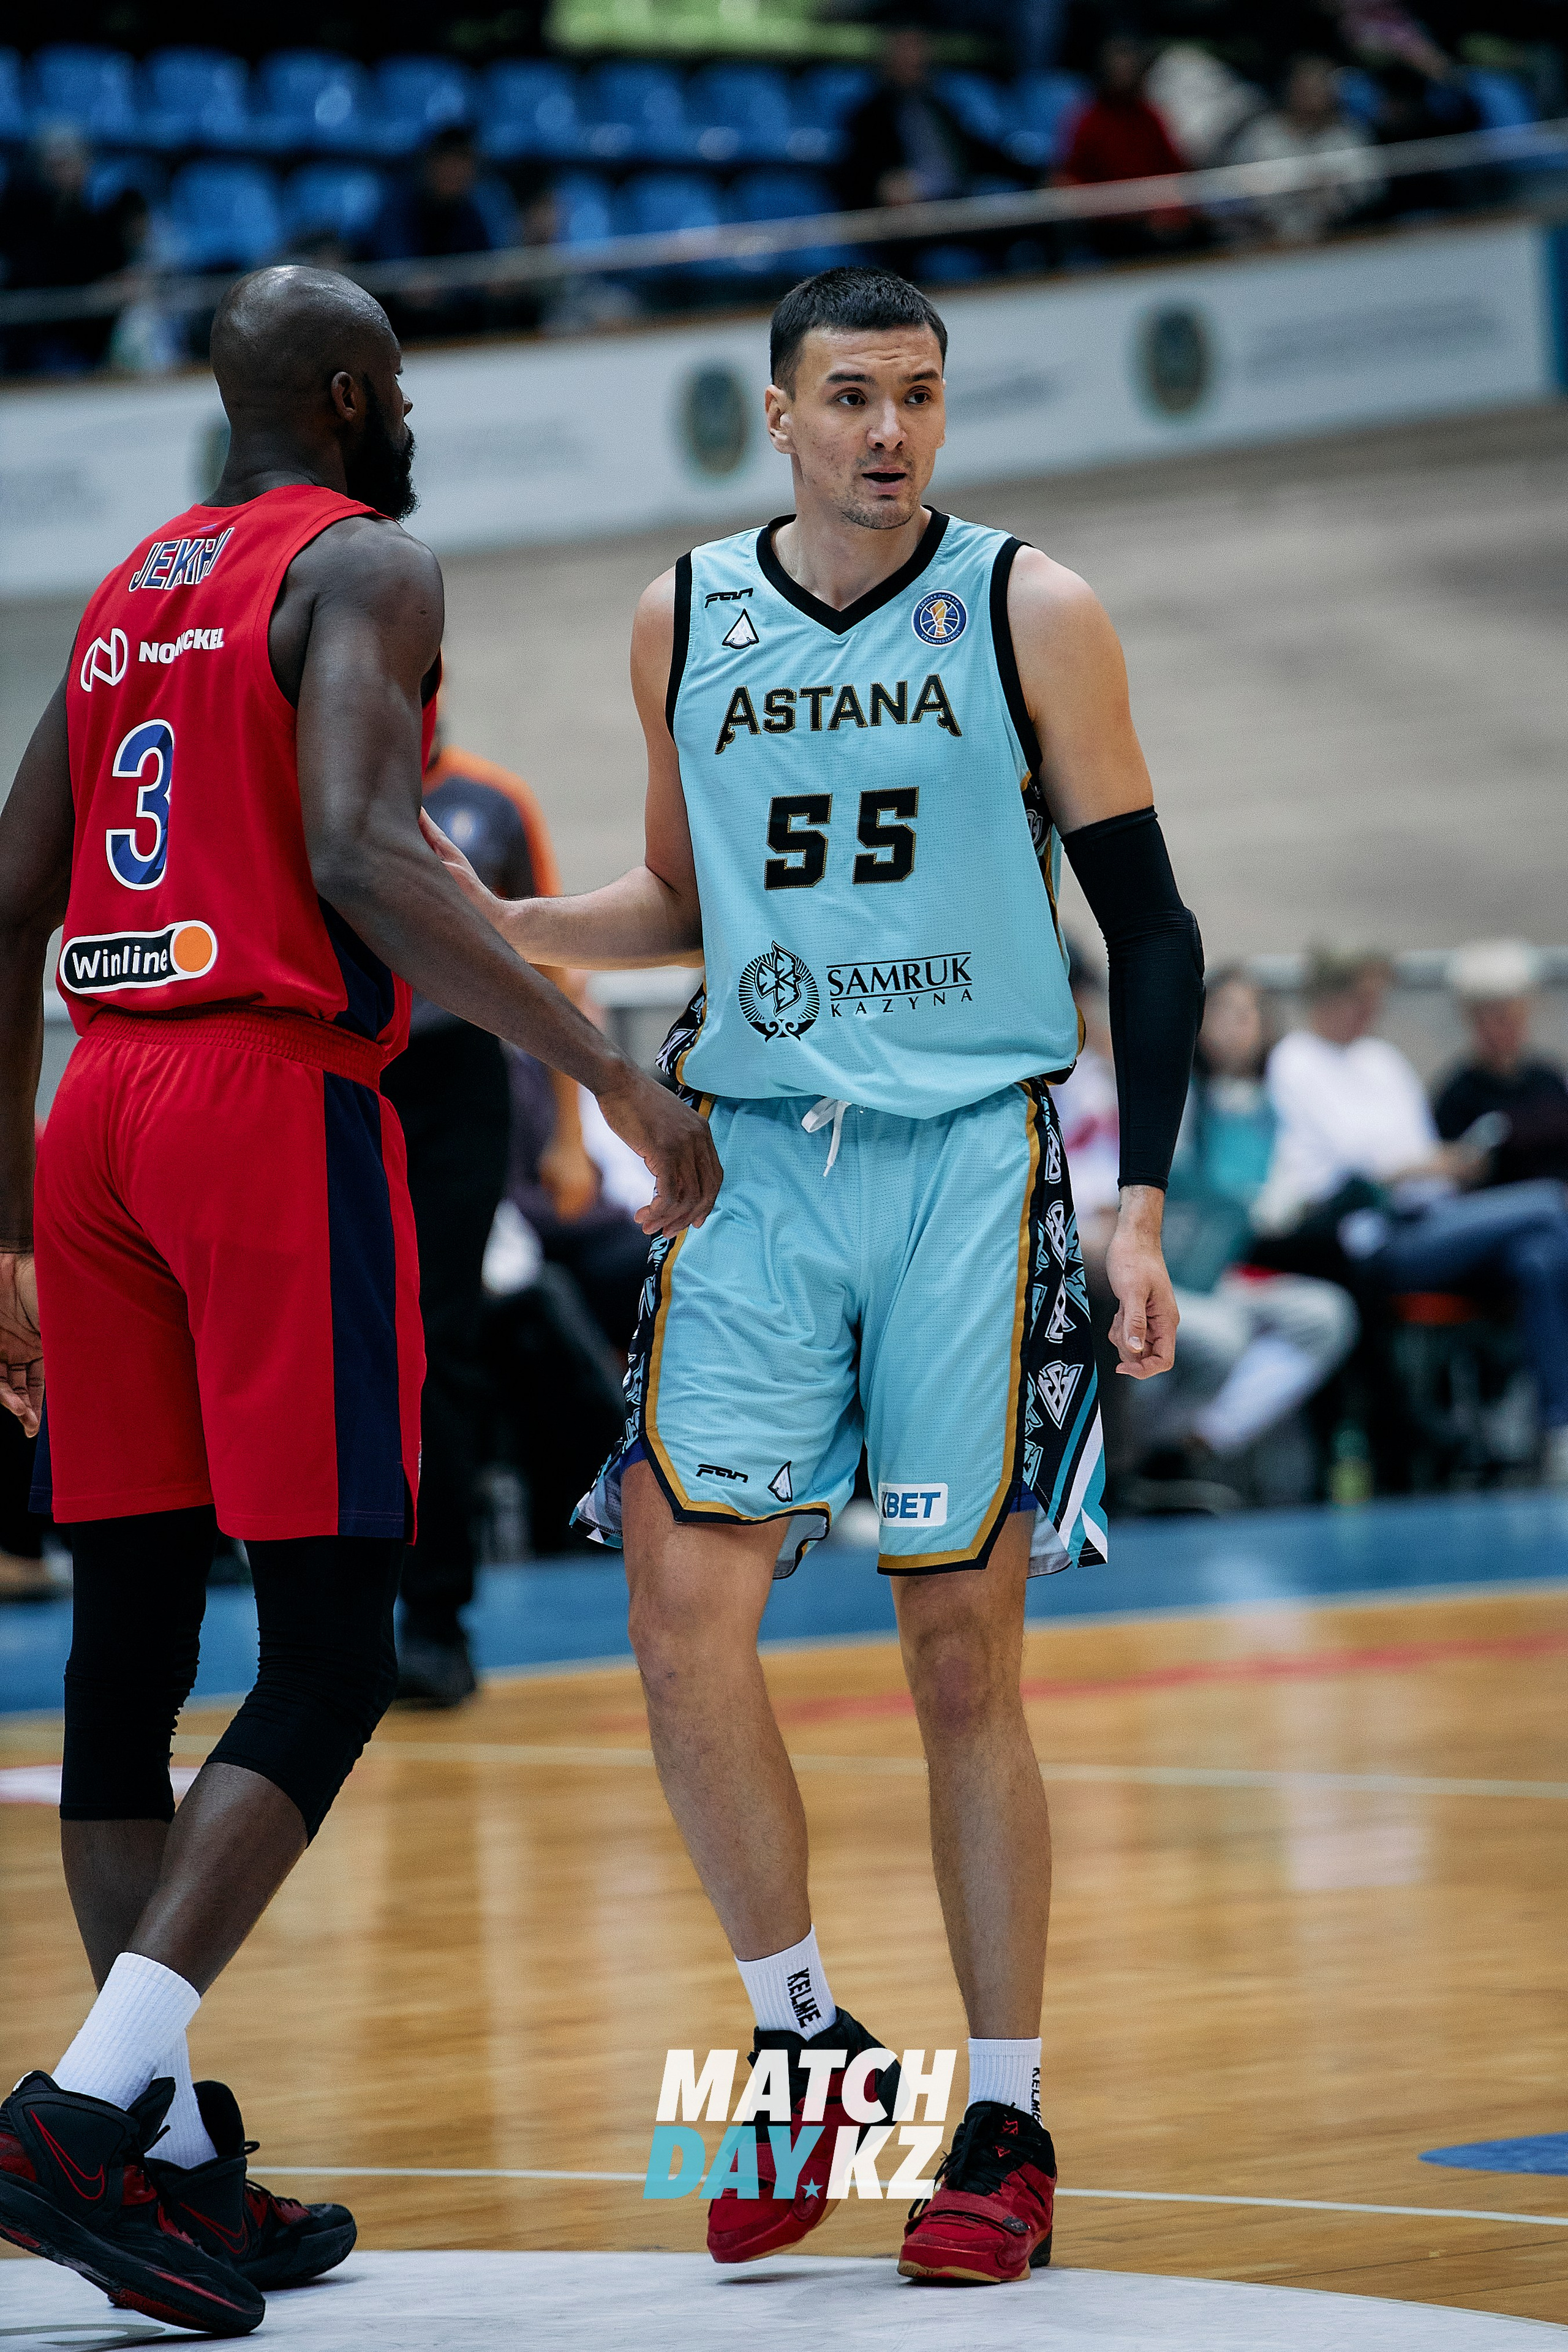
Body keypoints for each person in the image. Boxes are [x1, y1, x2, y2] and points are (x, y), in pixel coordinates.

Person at [426, 264, 1204, 2288]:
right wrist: (490, 926)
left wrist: (1142, 1209)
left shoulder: (1035, 605)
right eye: (850, 395)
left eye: (920, 396)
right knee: (680, 1613)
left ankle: (1006, 2122)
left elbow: (1159, 929)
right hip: (760, 1164)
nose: (889, 430)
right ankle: (805, 2050)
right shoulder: (679, 612)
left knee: (960, 1657)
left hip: (971, 1168)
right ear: (775, 414)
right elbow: (675, 898)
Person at [0, 263, 717, 2331]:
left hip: (93, 1114)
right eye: (395, 382)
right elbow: (357, 846)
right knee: (334, 1648)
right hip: (256, 1100)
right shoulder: (371, 558)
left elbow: (5, 897)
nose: (408, 413)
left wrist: (5, 1227)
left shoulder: (127, 586)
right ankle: (77, 2113)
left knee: (127, 1642)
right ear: (350, 390)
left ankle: (175, 2164)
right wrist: (596, 1054)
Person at [385, 722, 594, 1705]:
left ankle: (434, 1621)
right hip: (334, 1073)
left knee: (439, 1343)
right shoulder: (314, 789)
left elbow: (553, 964)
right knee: (336, 1346)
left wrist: (566, 1132)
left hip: (452, 1077)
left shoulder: (492, 801)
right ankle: (326, 1621)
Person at [1260, 948, 1568, 1486]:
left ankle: (1558, 1431)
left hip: (1437, 1215)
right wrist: (1423, 1166)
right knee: (1547, 1202)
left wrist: (1445, 1166)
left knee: (1537, 1259)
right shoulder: (1296, 1061)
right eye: (1361, 998)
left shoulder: (1382, 1060)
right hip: (1378, 1236)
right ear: (1328, 997)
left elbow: (1421, 1155)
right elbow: (1350, 1171)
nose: (1370, 1011)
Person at [1144, 968, 1358, 1493]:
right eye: (1227, 1013)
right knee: (1225, 1335)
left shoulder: (1270, 1108)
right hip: (1165, 1280)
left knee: (1327, 1315)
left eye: (1252, 1015)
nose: (1241, 1026)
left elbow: (1281, 1201)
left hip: (1220, 1277)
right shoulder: (1175, 1097)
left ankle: (1200, 1440)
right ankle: (1146, 1450)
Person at [1433, 940, 1568, 1191]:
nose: (1499, 1031)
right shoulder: (1458, 1095)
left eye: (1509, 1018)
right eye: (1489, 1019)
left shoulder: (1549, 1080)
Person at [839, 30, 1020, 217]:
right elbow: (859, 174)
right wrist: (880, 185)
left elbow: (980, 155)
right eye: (905, 52)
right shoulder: (869, 116)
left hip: (961, 205)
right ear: (886, 61)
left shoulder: (940, 106)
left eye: (918, 51)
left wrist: (1034, 176)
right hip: (911, 217)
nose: (914, 59)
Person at [0, 127, 134, 377]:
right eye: (55, 165)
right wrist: (91, 296)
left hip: (90, 343)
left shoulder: (96, 224)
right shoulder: (22, 223)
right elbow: (34, 285)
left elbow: (115, 273)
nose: (63, 173)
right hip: (39, 344)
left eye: (69, 163)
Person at [1058, 38, 1199, 261]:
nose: (1123, 74)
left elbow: (1173, 171)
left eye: (1128, 68)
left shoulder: (1150, 116)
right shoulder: (1088, 120)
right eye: (1117, 69)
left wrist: (1168, 210)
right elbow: (1072, 180)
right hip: (1110, 226)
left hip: (1157, 218)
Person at [366, 126, 508, 344]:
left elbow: (489, 272)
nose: (455, 173)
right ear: (431, 164)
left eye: (464, 164)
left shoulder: (474, 210)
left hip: (459, 328)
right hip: (399, 332)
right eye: (448, 163)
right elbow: (400, 278)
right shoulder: (397, 207)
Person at [1226, 55, 1385, 244]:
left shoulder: (1349, 136)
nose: (1311, 96)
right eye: (1304, 89)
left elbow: (1371, 190)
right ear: (1290, 89)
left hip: (1342, 237)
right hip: (1267, 241)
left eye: (1318, 88)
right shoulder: (1261, 135)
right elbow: (1237, 191)